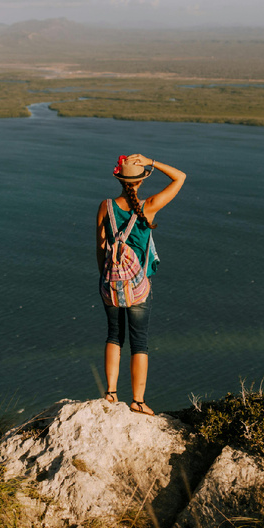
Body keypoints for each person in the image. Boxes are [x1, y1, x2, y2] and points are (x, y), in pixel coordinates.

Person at [97, 153, 186, 415]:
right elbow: (180, 177)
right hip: (137, 287)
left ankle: (111, 393)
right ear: (141, 180)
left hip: (110, 283)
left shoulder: (105, 206)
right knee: (139, 342)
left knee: (114, 335)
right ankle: (137, 401)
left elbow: (100, 248)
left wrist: (106, 279)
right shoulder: (149, 206)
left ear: (119, 179)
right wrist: (152, 162)